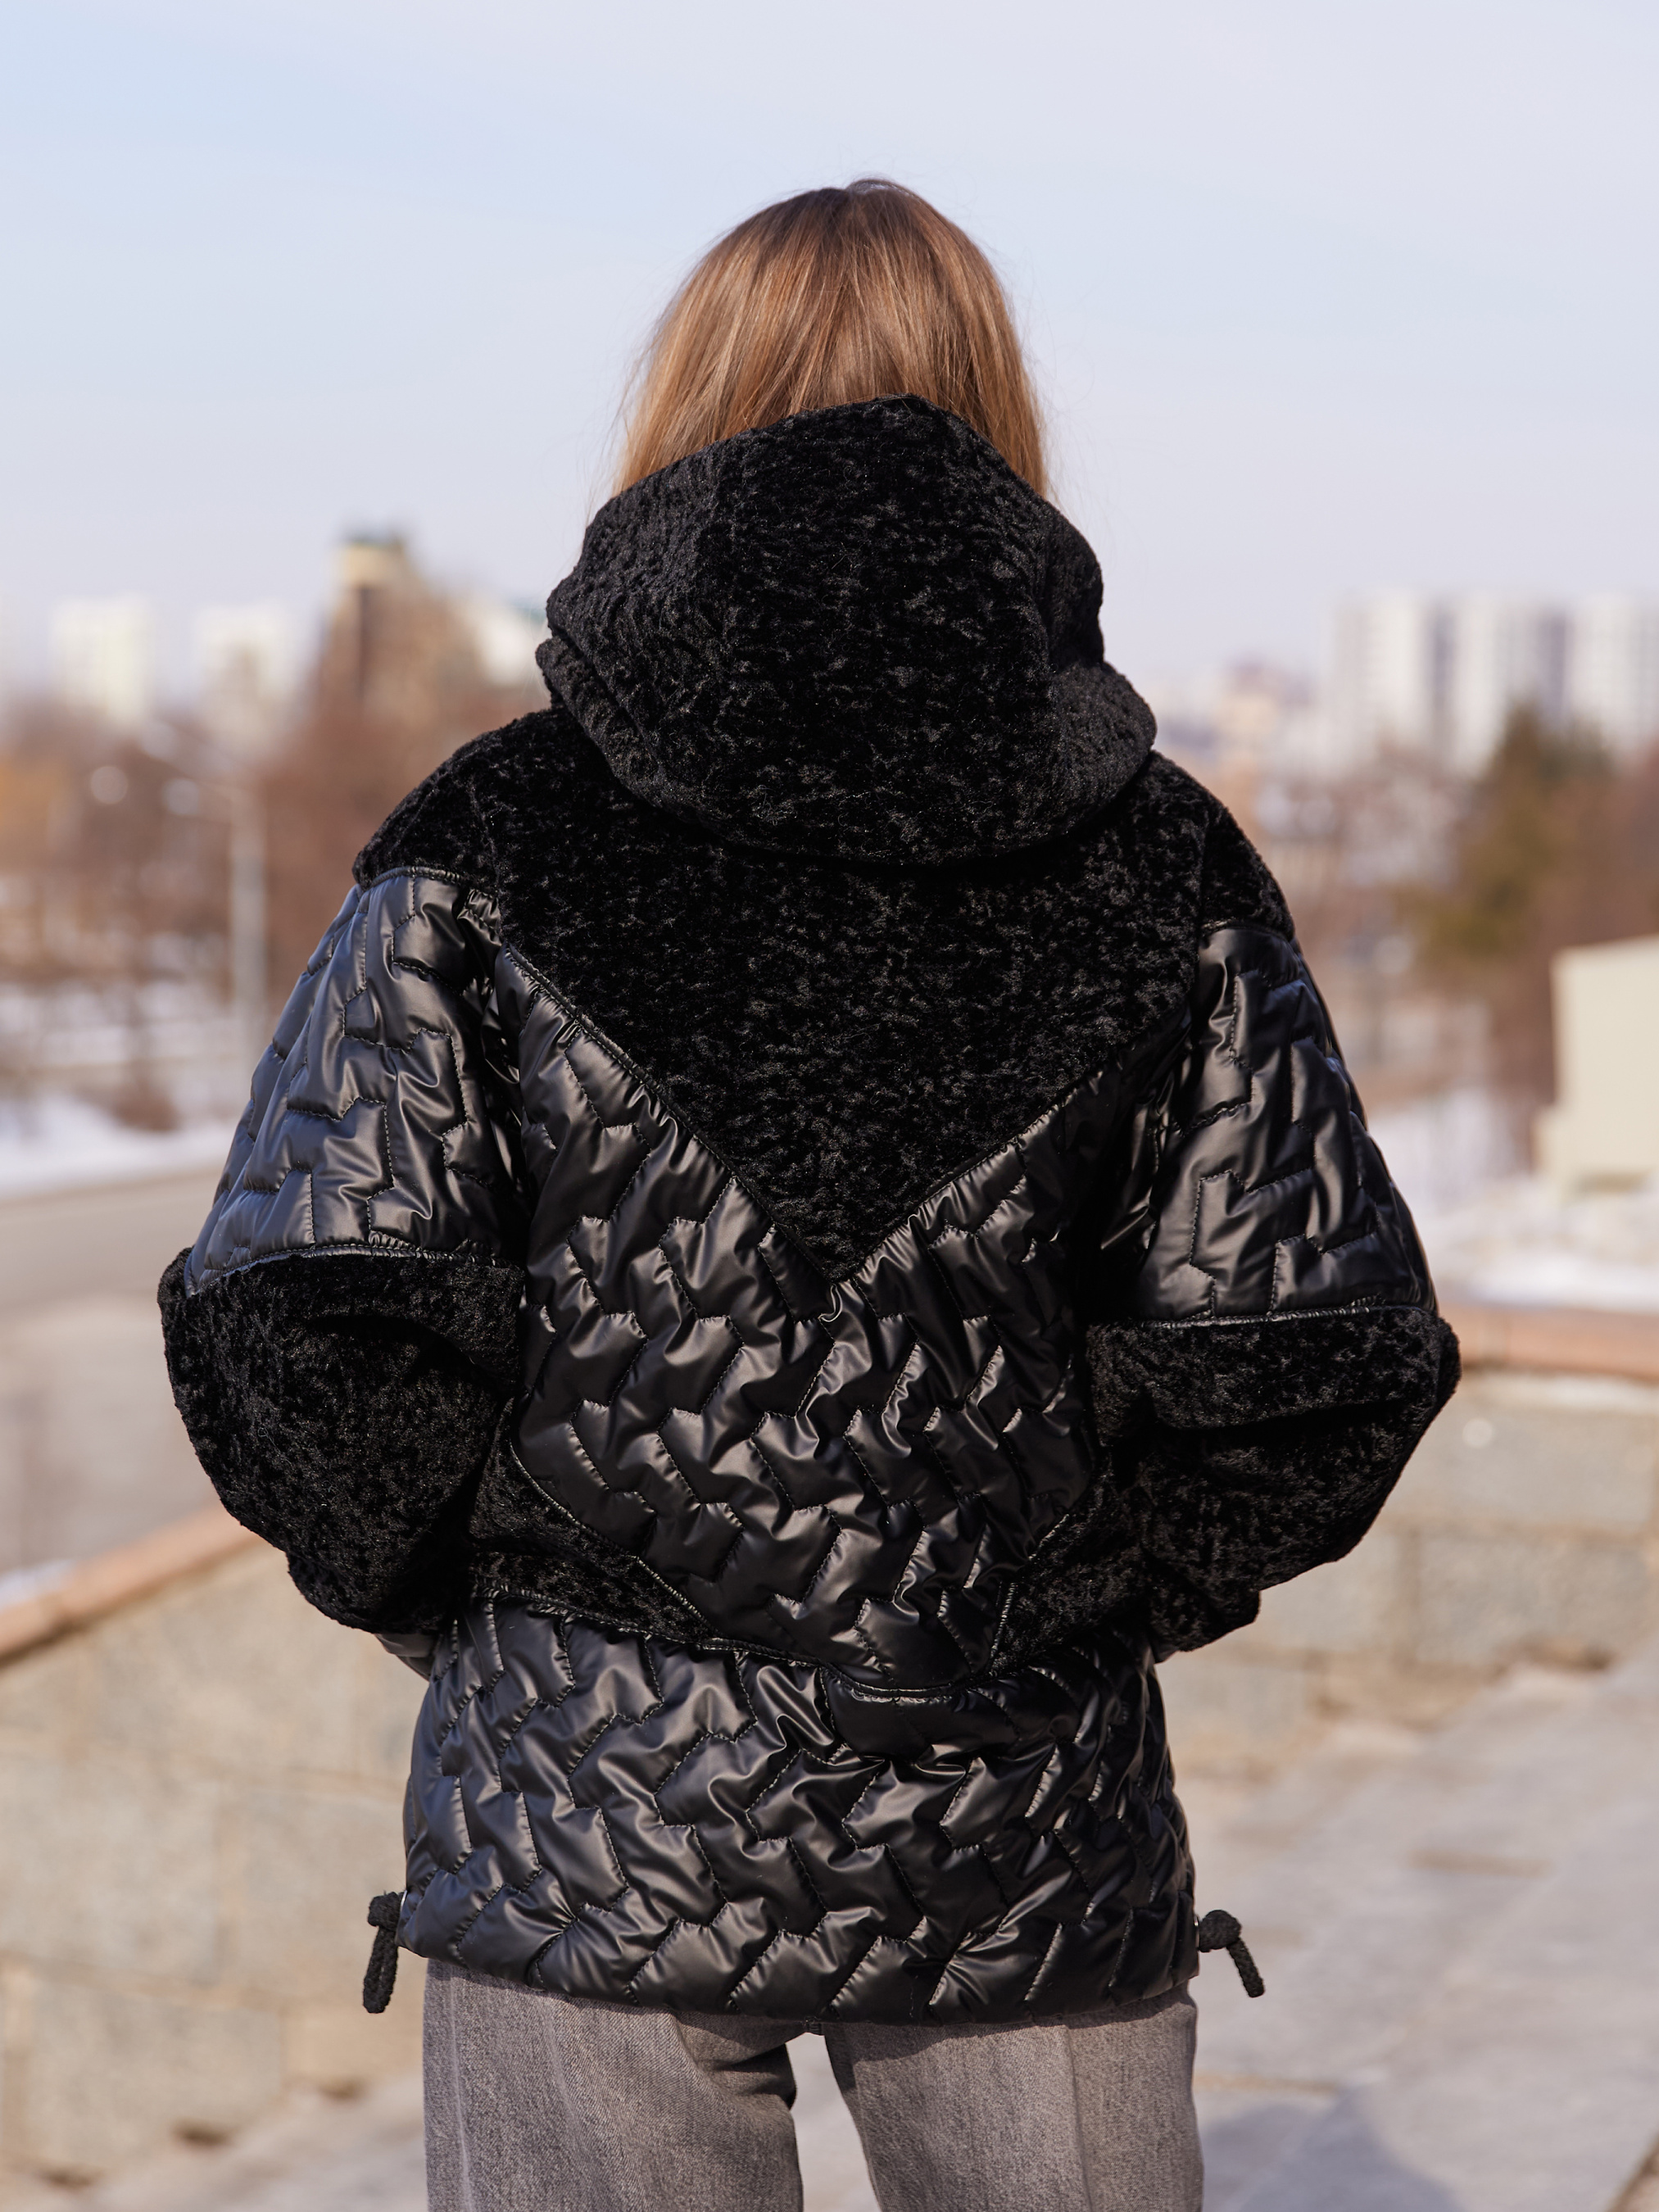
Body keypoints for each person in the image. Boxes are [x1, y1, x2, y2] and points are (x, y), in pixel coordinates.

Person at [160, 179, 1457, 2212]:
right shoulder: (1163, 859)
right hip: (1020, 1807)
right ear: (993, 411)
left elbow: (311, 1318)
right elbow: (1300, 1352)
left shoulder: (490, 835)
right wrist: (1080, 1607)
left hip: (588, 1820)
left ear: (682, 403)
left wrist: (506, 1624)